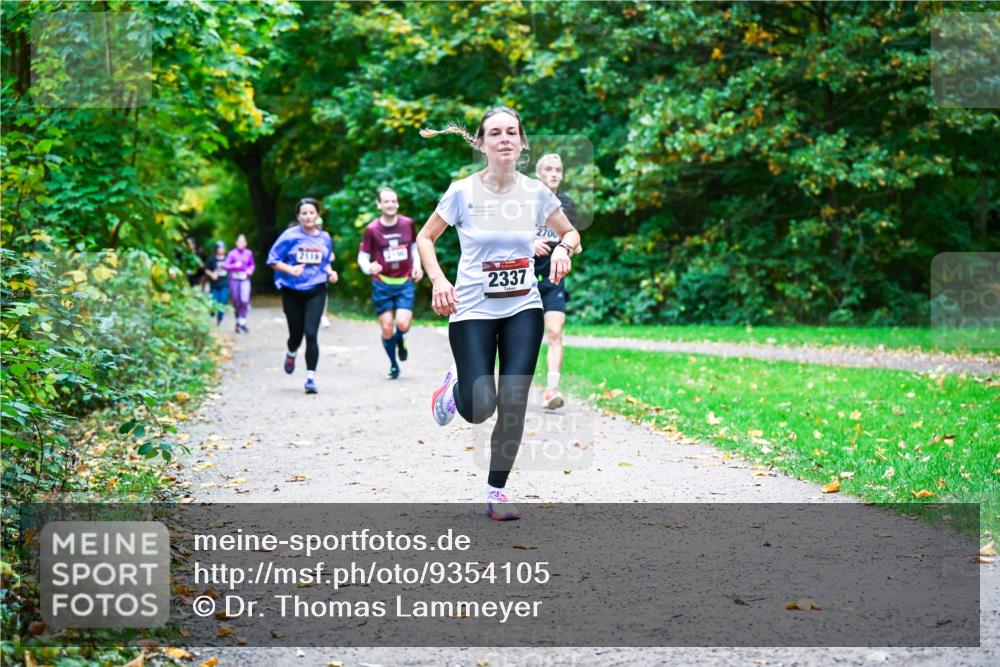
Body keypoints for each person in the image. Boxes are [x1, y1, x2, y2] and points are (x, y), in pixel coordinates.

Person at [417, 106, 580, 521]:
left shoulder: (536, 193)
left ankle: (496, 492)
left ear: (522, 142)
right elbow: (425, 238)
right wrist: (438, 281)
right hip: (472, 308)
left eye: (512, 132)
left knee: (512, 401)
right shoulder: (462, 192)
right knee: (479, 406)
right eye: (495, 133)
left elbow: (571, 232)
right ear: (481, 143)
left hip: (523, 306)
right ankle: (453, 392)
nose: (504, 138)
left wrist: (563, 248)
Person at [267, 199, 338, 394]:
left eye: (311, 213)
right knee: (296, 335)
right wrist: (290, 269)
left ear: (317, 215)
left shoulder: (324, 238)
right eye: (304, 213)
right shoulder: (289, 236)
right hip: (292, 291)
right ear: (298, 216)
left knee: (311, 333)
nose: (308, 216)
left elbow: (325, 262)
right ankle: (291, 351)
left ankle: (310, 378)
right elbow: (272, 260)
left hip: (316, 290)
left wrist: (331, 273)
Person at [357, 187, 424, 379]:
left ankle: (400, 339)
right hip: (382, 283)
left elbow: (414, 247)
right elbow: (362, 257)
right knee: (387, 327)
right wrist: (369, 267)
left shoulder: (407, 223)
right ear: (379, 204)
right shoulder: (372, 229)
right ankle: (394, 365)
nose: (390, 204)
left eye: (393, 201)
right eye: (386, 201)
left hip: (404, 282)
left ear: (397, 203)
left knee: (402, 324)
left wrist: (417, 266)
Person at [533, 153, 582, 410]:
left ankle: (552, 389)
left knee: (555, 332)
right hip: (523, 278)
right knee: (524, 337)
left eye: (558, 170)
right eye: (549, 169)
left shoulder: (566, 204)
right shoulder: (524, 200)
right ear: (539, 174)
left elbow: (576, 241)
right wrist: (529, 243)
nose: (554, 174)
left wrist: (566, 249)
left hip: (553, 279)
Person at [222, 234, 255, 333]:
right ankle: (238, 321)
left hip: (245, 279)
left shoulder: (249, 253)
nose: (241, 244)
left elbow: (252, 265)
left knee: (244, 300)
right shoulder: (232, 253)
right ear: (236, 243)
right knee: (236, 301)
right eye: (239, 242)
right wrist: (234, 266)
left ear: (246, 243)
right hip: (234, 280)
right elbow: (225, 265)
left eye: (243, 242)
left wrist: (250, 270)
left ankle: (242, 321)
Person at [204, 241, 230, 326]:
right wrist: (211, 274)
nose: (221, 250)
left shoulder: (228, 259)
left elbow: (232, 268)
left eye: (222, 248)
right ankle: (212, 312)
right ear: (216, 249)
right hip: (214, 285)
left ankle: (220, 318)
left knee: (223, 300)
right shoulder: (211, 259)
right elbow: (206, 269)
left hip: (224, 284)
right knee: (214, 300)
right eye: (219, 248)